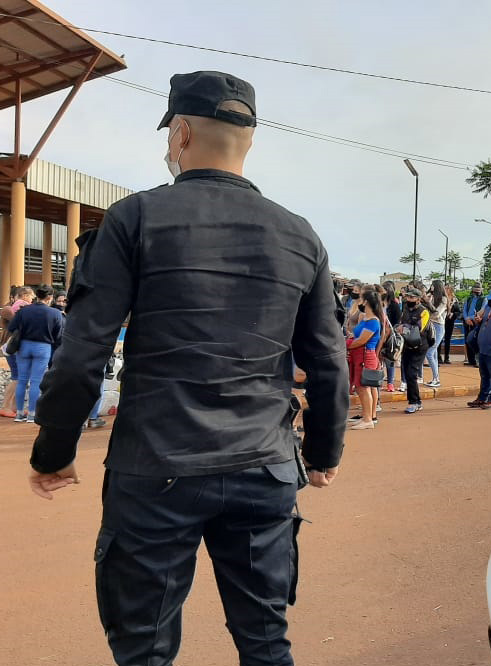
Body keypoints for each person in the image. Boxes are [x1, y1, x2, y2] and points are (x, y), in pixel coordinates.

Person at [28, 72, 348, 666]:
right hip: (265, 466)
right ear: (248, 140)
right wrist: (325, 452)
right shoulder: (302, 236)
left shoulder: (134, 219)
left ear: (180, 133)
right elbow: (328, 361)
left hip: (156, 465)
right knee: (266, 640)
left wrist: (54, 451)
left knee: (146, 647)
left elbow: (82, 356)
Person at [8, 285, 63, 423]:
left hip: (24, 346)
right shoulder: (55, 313)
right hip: (43, 347)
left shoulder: (24, 311)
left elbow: (11, 327)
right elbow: (58, 336)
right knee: (36, 381)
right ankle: (32, 414)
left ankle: (19, 414)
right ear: (49, 298)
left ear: (36, 296)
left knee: (22, 380)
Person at [347, 289, 383, 430]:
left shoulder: (373, 321)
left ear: (366, 301)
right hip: (360, 355)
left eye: (362, 298)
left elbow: (361, 340)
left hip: (365, 355)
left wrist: (347, 345)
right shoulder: (366, 318)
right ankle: (366, 416)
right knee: (361, 387)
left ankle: (368, 419)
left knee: (363, 387)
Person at [0, 285, 34, 418]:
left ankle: (13, 407)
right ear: (22, 296)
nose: (32, 300)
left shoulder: (19, 308)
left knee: (20, 377)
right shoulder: (8, 309)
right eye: (31, 297)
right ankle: (5, 406)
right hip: (11, 346)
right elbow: (20, 322)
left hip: (16, 346)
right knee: (17, 376)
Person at [398, 287, 432, 413]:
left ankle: (415, 402)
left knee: (412, 373)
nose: (409, 299)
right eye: (407, 297)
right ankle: (413, 400)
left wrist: (404, 327)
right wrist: (399, 327)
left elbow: (419, 328)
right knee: (407, 373)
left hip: (420, 346)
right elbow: (400, 322)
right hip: (407, 344)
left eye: (412, 297)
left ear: (418, 299)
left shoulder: (424, 312)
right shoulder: (406, 309)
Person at [423, 279, 448, 388]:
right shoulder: (432, 297)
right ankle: (435, 378)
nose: (431, 287)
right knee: (433, 354)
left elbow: (437, 314)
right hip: (430, 326)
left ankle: (437, 379)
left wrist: (428, 303)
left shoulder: (443, 299)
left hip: (438, 326)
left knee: (430, 351)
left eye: (432, 286)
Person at [380, 282, 401, 392]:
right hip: (380, 333)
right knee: (379, 359)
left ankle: (390, 382)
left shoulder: (394, 305)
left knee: (389, 359)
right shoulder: (379, 304)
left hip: (390, 335)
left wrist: (389, 331)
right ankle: (380, 380)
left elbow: (397, 321)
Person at [462, 283, 485, 366]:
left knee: (475, 340)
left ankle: (477, 360)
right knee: (467, 340)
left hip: (476, 322)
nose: (476, 292)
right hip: (467, 322)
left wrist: (471, 318)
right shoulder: (468, 299)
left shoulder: (484, 299)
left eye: (478, 290)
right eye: (475, 290)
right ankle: (470, 360)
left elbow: (483, 310)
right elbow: (464, 310)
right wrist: (466, 318)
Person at [440, 285, 459, 365]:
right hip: (441, 321)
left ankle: (447, 357)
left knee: (448, 339)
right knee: (440, 339)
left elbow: (458, 311)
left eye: (448, 288)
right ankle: (438, 357)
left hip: (450, 322)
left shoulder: (455, 300)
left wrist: (453, 314)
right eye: (445, 288)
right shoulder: (441, 298)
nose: (446, 290)